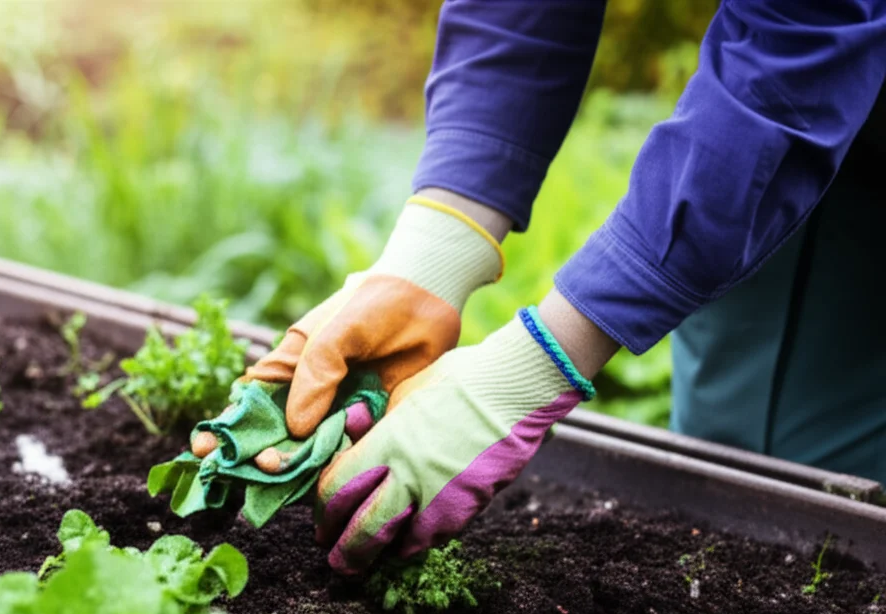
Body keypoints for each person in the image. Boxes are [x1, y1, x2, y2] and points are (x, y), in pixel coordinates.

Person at [240, 1, 886, 575]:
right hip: (798, 79)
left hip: (808, 52)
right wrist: (434, 254)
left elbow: (805, 43)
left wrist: (533, 365)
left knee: (838, 525)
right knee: (740, 480)